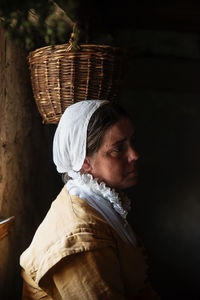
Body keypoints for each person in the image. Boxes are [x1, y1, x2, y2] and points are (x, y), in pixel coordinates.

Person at [20, 100, 160, 299]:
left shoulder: (100, 204)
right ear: (84, 162)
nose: (135, 155)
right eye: (119, 149)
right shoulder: (80, 237)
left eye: (132, 142)